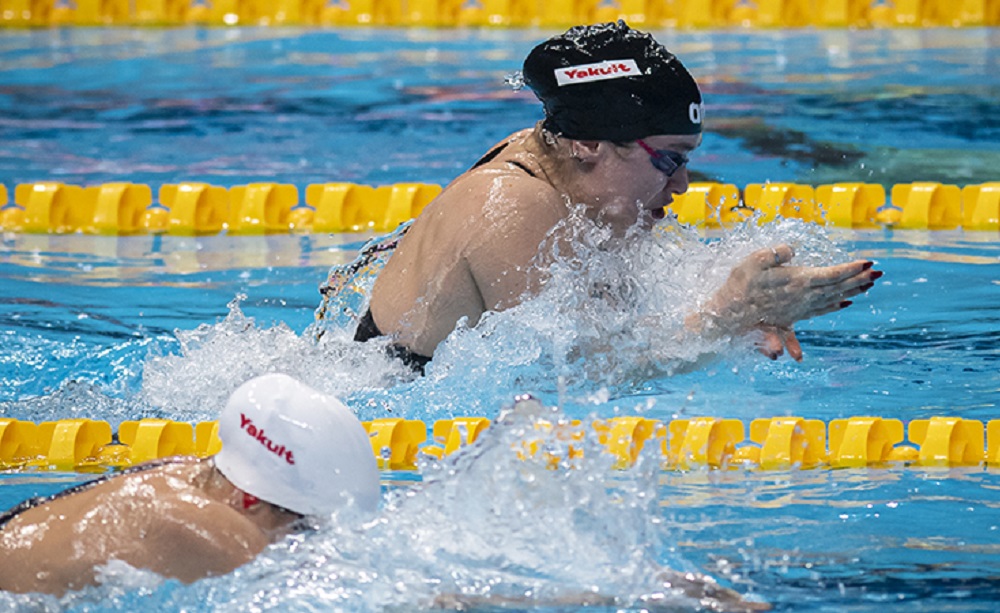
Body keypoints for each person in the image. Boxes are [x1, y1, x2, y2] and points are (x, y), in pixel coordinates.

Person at [346, 22, 881, 372]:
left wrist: (746, 313)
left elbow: (611, 323)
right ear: (589, 144)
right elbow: (579, 380)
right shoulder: (514, 206)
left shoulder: (567, 173)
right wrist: (725, 313)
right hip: (393, 419)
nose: (683, 184)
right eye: (669, 158)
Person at [0, 373, 380, 596]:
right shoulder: (200, 528)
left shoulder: (187, 472)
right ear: (248, 498)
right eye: (303, 529)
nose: (303, 545)